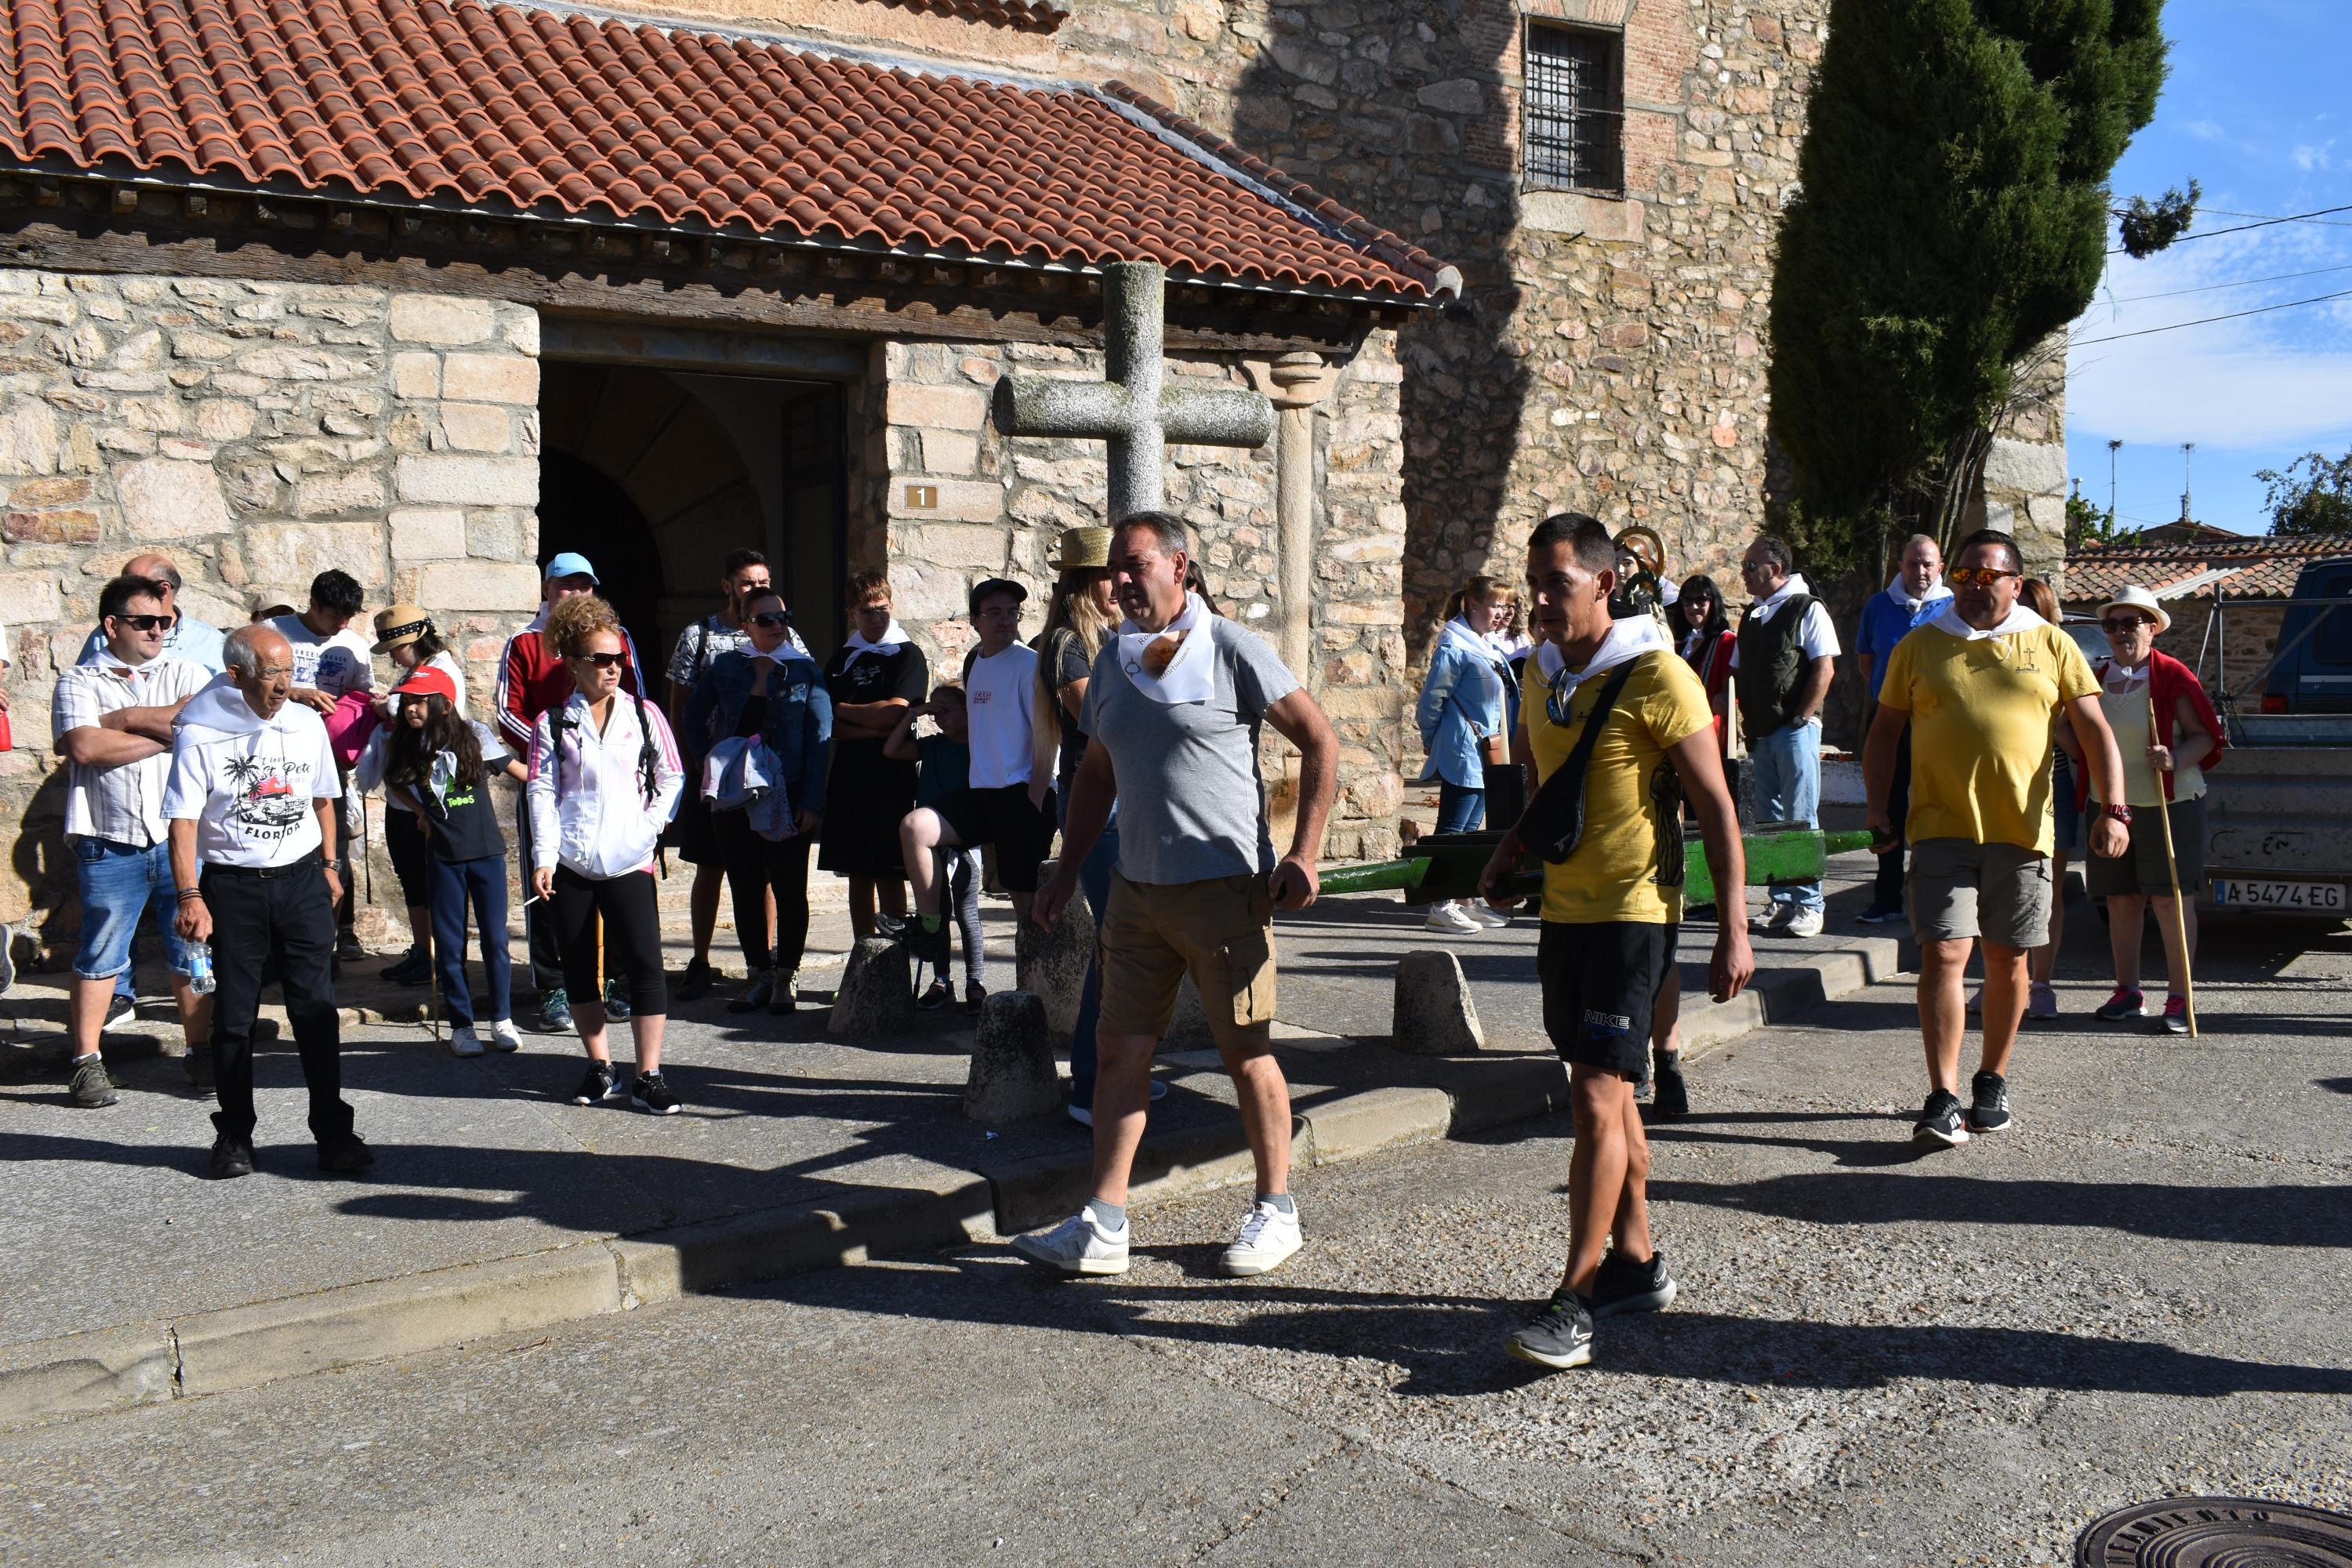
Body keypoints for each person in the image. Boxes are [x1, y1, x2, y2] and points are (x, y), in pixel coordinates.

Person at [1014, 511, 1339, 1279]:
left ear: (1180, 567)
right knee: (1119, 1050)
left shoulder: (1230, 648)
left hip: (1224, 890)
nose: (1122, 582)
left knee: (1246, 1051)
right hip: (1135, 891)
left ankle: (1276, 1208)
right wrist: (1066, 869)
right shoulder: (1117, 660)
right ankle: (1103, 1221)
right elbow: (1095, 773)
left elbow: (1321, 739)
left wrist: (1305, 852)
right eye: (1114, 572)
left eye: (1137, 565)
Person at [1477, 513, 1751, 1370]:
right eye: (1534, 583)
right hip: (1566, 906)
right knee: (1607, 1090)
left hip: (1637, 910)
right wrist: (1508, 847)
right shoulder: (1539, 671)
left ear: (1605, 583)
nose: (1540, 600)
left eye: (1556, 583)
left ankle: (1578, 1295)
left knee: (1598, 1092)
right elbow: (1541, 781)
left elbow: (1715, 806)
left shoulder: (1659, 674)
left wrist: (1734, 927)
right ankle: (1635, 1260)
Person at [1864, 530, 2129, 1148]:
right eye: (1967, 575)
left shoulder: (2051, 643)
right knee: (1943, 955)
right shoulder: (1920, 646)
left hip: (2023, 830)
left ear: (2016, 582)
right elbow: (1882, 735)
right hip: (1938, 826)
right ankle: (1942, 1095)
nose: (1977, 586)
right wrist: (1881, 810)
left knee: (2008, 959)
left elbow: (2095, 733)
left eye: (1990, 576)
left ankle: (1992, 1078)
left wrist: (2114, 810)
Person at [166, 624, 369, 1179]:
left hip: (301, 882)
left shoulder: (306, 724)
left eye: (288, 672)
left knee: (316, 1011)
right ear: (235, 676)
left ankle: (334, 1132)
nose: (283, 685)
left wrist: (330, 867)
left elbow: (325, 799)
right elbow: (182, 824)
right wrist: (190, 895)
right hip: (233, 888)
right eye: (270, 673)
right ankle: (235, 1135)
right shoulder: (199, 733)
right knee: (233, 1019)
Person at [53, 575, 216, 1105]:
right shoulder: (79, 681)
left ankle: (201, 1052)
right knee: (100, 952)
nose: (156, 630)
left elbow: (202, 730)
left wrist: (123, 722)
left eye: (164, 621)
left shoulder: (189, 671)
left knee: (191, 948)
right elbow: (83, 748)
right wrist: (167, 731)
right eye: (144, 621)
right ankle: (85, 1061)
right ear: (112, 624)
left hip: (178, 837)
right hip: (109, 837)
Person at [527, 595, 686, 1114]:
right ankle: (601, 1067)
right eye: (600, 658)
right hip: (572, 861)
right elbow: (541, 791)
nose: (613, 666)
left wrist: (648, 828)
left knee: (644, 965)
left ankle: (649, 1075)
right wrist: (545, 856)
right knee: (577, 966)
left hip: (629, 858)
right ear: (573, 663)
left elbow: (671, 777)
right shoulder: (552, 722)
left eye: (618, 658)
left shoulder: (644, 714)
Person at [497, 553, 644, 1033]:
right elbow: (507, 712)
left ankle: (619, 979)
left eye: (585, 586)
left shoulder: (616, 641)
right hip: (549, 778)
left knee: (621, 876)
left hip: (610, 780)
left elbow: (636, 704)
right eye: (566, 586)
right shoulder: (523, 642)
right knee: (549, 881)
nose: (575, 595)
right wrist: (553, 750)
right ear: (547, 588)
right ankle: (556, 983)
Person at [2074, 584, 2223, 1035]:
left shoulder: (2173, 675)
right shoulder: (2094, 679)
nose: (2120, 632)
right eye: (2112, 624)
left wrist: (2175, 758)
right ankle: (2128, 992)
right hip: (2109, 807)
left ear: (2153, 628)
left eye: (2130, 622)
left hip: (2169, 803)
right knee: (2120, 900)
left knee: (2169, 901)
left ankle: (2179, 996)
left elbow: (2205, 735)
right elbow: (2070, 730)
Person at [680, 587, 830, 1016]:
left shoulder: (806, 671)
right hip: (733, 795)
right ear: (746, 624)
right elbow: (693, 714)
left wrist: (813, 803)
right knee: (744, 885)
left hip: (789, 794)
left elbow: (821, 743)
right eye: (766, 620)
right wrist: (704, 763)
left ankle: (786, 977)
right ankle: (758, 975)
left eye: (784, 617)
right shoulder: (727, 667)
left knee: (787, 887)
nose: (778, 626)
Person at [665, 548, 805, 1000]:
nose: (757, 588)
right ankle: (701, 959)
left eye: (763, 580)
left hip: (769, 780)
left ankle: (761, 967)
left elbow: (805, 689)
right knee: (710, 868)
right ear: (729, 587)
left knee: (762, 875)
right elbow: (682, 705)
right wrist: (698, 760)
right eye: (748, 582)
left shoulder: (788, 634)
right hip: (718, 777)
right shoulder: (699, 636)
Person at [897, 579, 1055, 961]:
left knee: (1024, 902)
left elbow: (1048, 736)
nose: (1005, 621)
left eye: (1012, 613)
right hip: (982, 792)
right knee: (915, 827)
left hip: (1023, 793)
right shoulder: (974, 662)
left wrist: (1035, 797)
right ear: (974, 620)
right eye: (994, 613)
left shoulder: (1029, 665)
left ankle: (1035, 994)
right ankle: (931, 927)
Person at [1029, 529, 1131, 1107]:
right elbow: (1103, 719)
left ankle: (1110, 1074)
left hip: (1116, 798)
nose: (1119, 584)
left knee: (1124, 937)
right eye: (1107, 574)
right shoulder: (1067, 643)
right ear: (1081, 582)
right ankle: (1093, 1082)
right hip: (1096, 800)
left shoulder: (1104, 637)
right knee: (1117, 938)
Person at [379, 665, 524, 1057]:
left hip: (486, 853)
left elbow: (516, 770)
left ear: (443, 704)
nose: (410, 709)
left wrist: (562, 777)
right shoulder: (406, 744)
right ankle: (462, 1026)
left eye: (420, 701)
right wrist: (418, 812)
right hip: (443, 856)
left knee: (496, 940)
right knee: (449, 943)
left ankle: (502, 1019)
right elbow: (393, 781)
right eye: (406, 701)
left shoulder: (474, 735)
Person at [1731, 535, 1838, 938]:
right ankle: (1782, 899)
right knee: (1769, 819)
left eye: (1750, 566)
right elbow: (1740, 672)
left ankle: (1810, 903)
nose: (1744, 573)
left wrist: (1802, 716)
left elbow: (1824, 668)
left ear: (1775, 570)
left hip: (1794, 730)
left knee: (1801, 815)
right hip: (1762, 732)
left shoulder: (1807, 609)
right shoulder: (1753, 616)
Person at [267, 571, 375, 962]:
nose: (342, 625)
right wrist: (293, 692)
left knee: (337, 847)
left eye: (349, 617)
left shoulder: (353, 644)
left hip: (328, 760)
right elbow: (238, 684)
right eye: (335, 616)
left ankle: (340, 933)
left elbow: (361, 695)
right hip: (274, 759)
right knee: (281, 841)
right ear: (313, 604)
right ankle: (284, 940)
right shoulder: (272, 632)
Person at [818, 573, 927, 938]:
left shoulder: (907, 654)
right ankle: (863, 953)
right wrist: (872, 723)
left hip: (890, 777)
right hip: (849, 776)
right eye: (867, 612)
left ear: (892, 606)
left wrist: (841, 708)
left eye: (882, 610)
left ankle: (893, 954)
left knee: (888, 869)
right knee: (857, 871)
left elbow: (895, 714)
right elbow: (825, 721)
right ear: (852, 614)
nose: (876, 618)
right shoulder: (841, 659)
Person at [1853, 535, 1952, 926]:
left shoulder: (1954, 608)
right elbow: (1867, 661)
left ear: (1940, 567)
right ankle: (1887, 898)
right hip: (1890, 721)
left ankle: (1937, 894)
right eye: (1913, 564)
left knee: (1937, 806)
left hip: (1937, 723)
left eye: (1928, 564)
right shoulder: (1878, 607)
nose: (1921, 571)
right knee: (1887, 808)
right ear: (1901, 565)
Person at [366, 604, 466, 987]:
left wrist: (384, 705)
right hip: (405, 795)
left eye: (395, 648)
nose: (392, 656)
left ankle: (437, 955)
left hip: (425, 797)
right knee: (412, 878)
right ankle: (424, 951)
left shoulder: (440, 671)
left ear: (412, 641)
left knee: (429, 879)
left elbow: (407, 709)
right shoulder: (421, 669)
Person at [1415, 575, 1518, 935]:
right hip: (1463, 748)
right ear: (1473, 605)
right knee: (1453, 830)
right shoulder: (1455, 646)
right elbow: (1430, 701)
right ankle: (1439, 905)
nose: (1502, 613)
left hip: (1485, 749)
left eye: (1506, 606)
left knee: (1472, 829)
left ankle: (1460, 899)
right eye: (1496, 605)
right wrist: (1431, 736)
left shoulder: (1484, 644)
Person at [884, 685, 988, 1011]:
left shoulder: (980, 749)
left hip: (964, 840)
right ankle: (942, 979)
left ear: (968, 711)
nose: (939, 716)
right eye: (936, 711)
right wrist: (915, 714)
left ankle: (976, 981)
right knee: (936, 913)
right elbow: (891, 749)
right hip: (929, 843)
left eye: (947, 710)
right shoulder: (932, 746)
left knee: (966, 912)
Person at [2019, 578, 2074, 1020]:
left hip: (2053, 783)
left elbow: (2083, 743)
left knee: (2046, 889)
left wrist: (2048, 720)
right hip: (2003, 784)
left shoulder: (2060, 655)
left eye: (2029, 608)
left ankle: (2041, 983)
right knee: (1996, 888)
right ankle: (2006, 979)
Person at [77, 553, 228, 675]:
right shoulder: (105, 635)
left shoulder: (212, 643)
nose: (121, 595)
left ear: (163, 590)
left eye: (131, 588)